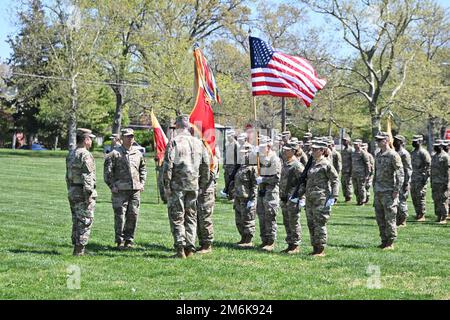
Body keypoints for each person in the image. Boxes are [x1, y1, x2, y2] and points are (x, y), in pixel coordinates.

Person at [162, 115, 210, 258]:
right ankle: (190, 247)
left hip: (178, 185)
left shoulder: (174, 142)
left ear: (177, 126)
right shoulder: (198, 143)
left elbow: (168, 165)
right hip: (193, 184)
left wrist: (166, 185)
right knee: (191, 216)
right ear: (188, 127)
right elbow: (206, 165)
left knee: (177, 216)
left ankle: (180, 248)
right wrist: (202, 184)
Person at [104, 128, 147, 249]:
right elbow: (107, 172)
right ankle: (120, 241)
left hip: (135, 190)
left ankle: (129, 240)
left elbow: (143, 169)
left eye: (132, 136)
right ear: (122, 138)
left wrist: (142, 183)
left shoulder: (138, 153)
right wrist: (112, 186)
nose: (130, 138)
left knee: (133, 215)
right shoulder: (114, 153)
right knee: (120, 216)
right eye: (128, 136)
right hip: (120, 190)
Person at [298, 140, 339, 257]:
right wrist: (300, 195)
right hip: (310, 198)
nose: (313, 151)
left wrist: (334, 196)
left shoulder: (326, 164)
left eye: (316, 150)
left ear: (322, 151)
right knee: (311, 223)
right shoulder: (312, 163)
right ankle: (315, 247)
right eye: (312, 149)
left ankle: (320, 249)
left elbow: (335, 180)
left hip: (321, 198)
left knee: (319, 223)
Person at [66, 128, 97, 256]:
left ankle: (76, 247)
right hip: (82, 191)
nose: (91, 142)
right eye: (90, 139)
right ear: (85, 140)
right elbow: (87, 176)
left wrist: (70, 189)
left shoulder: (71, 153)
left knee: (76, 220)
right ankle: (79, 250)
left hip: (73, 190)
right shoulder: (85, 154)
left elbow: (67, 175)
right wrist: (89, 194)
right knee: (85, 220)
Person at [373, 132, 404, 250]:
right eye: (377, 140)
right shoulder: (378, 154)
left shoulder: (393, 155)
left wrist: (396, 189)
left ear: (386, 140)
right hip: (379, 190)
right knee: (380, 217)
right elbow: (376, 172)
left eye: (380, 140)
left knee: (390, 217)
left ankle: (390, 242)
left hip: (389, 191)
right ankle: (383, 240)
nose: (378, 142)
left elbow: (400, 173)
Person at [256, 137, 281, 252]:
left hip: (271, 193)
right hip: (262, 192)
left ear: (269, 146)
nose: (261, 149)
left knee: (270, 217)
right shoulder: (261, 158)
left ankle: (271, 241)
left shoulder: (274, 159)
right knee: (261, 216)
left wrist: (263, 180)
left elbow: (276, 178)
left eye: (263, 147)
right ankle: (264, 240)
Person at [279, 142, 304, 254]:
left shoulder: (297, 165)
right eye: (284, 150)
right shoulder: (286, 163)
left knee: (294, 221)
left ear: (293, 151)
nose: (285, 151)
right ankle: (290, 244)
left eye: (288, 150)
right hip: (284, 196)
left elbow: (303, 182)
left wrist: (298, 196)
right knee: (287, 221)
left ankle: (295, 245)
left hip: (293, 197)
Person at [233, 144, 258, 247]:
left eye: (246, 153)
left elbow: (255, 184)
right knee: (239, 219)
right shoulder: (241, 166)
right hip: (238, 196)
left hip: (247, 197)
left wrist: (252, 199)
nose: (244, 155)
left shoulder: (252, 168)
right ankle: (243, 238)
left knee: (248, 218)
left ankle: (248, 240)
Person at [197, 150, 219, 254]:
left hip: (206, 191)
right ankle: (202, 243)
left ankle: (207, 244)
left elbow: (209, 175)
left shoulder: (212, 157)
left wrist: (201, 186)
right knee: (198, 217)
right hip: (200, 189)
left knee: (205, 217)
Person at [393, 135, 412, 227]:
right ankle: (397, 219)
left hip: (403, 180)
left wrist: (406, 182)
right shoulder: (394, 152)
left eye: (396, 140)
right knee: (395, 201)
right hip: (395, 181)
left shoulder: (404, 153)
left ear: (401, 142)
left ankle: (403, 220)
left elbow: (408, 169)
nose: (394, 141)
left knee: (402, 201)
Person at [430, 140, 449, 224]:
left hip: (442, 182)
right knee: (436, 199)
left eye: (437, 146)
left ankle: (444, 217)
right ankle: (438, 216)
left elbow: (448, 171)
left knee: (443, 200)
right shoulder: (434, 156)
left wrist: (447, 183)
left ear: (441, 146)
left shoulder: (445, 156)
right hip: (435, 182)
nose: (435, 147)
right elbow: (432, 170)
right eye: (435, 145)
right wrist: (431, 181)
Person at [351, 139, 371, 205]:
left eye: (356, 144)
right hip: (354, 173)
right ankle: (358, 200)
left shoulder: (363, 153)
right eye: (354, 144)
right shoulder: (353, 153)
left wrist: (367, 174)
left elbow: (367, 164)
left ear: (359, 145)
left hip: (361, 174)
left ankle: (362, 201)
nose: (355, 146)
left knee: (361, 188)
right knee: (355, 189)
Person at [341, 135, 354, 202]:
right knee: (343, 184)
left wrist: (351, 171)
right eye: (343, 140)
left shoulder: (351, 150)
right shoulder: (343, 150)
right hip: (343, 170)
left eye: (345, 140)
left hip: (349, 170)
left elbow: (353, 161)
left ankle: (349, 197)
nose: (343, 142)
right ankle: (345, 196)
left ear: (348, 141)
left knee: (348, 184)